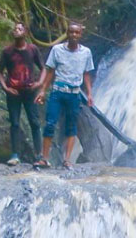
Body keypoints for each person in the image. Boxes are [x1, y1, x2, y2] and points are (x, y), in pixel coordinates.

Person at [35, 23, 95, 169]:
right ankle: (44, 158)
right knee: (50, 124)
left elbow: (86, 74)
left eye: (77, 33)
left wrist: (89, 93)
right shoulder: (57, 50)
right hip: (57, 91)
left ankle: (67, 160)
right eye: (71, 32)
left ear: (80, 35)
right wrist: (43, 90)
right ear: (67, 33)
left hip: (74, 94)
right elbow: (50, 71)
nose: (74, 35)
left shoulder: (86, 53)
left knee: (71, 126)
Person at [0, 23, 44, 166]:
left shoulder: (33, 49)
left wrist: (39, 83)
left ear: (26, 32)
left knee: (35, 122)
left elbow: (43, 68)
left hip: (30, 91)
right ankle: (15, 155)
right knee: (15, 123)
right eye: (15, 29)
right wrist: (5, 88)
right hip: (14, 93)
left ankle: (39, 155)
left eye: (19, 29)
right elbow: (0, 72)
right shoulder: (7, 52)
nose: (16, 31)